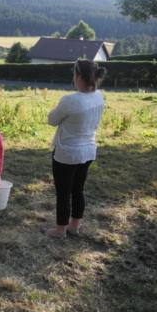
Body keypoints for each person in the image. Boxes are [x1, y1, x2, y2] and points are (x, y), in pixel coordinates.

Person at [46, 59, 106, 237]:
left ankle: (59, 230)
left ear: (79, 76)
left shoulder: (70, 100)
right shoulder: (99, 96)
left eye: (74, 74)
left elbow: (51, 120)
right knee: (78, 190)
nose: (73, 78)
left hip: (67, 153)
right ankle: (74, 226)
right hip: (88, 150)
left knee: (63, 193)